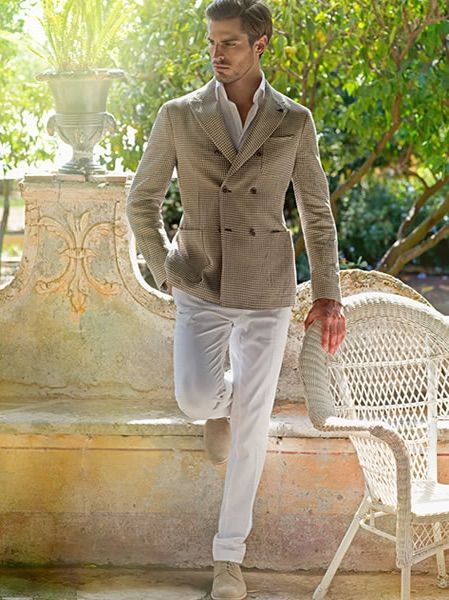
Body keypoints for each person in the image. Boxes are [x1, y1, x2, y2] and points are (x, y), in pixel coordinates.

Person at [126, 1, 346, 597]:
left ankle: (229, 558)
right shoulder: (180, 115)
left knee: (253, 424)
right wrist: (167, 271)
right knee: (195, 397)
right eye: (212, 42)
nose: (217, 54)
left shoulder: (293, 120)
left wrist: (328, 295)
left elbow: (316, 212)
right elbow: (141, 200)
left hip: (267, 285)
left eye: (230, 42)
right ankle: (218, 408)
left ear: (261, 44)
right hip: (199, 279)